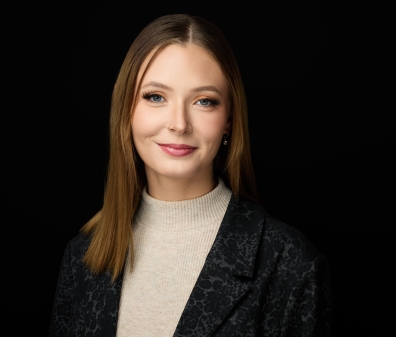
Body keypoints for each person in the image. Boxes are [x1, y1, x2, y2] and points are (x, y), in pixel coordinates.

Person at [49, 13, 332, 337]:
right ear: (126, 109)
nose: (179, 123)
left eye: (204, 101)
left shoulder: (292, 264)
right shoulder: (82, 256)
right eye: (156, 97)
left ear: (229, 118)